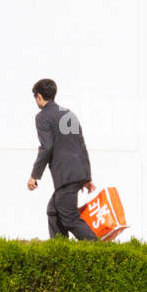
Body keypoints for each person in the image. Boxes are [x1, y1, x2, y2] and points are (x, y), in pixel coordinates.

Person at [27, 78, 98, 240]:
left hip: (66, 174)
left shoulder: (43, 117)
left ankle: (102, 250)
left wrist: (34, 175)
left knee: (70, 218)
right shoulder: (68, 113)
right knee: (54, 211)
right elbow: (81, 145)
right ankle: (60, 249)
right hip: (77, 171)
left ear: (38, 96)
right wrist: (86, 177)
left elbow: (46, 147)